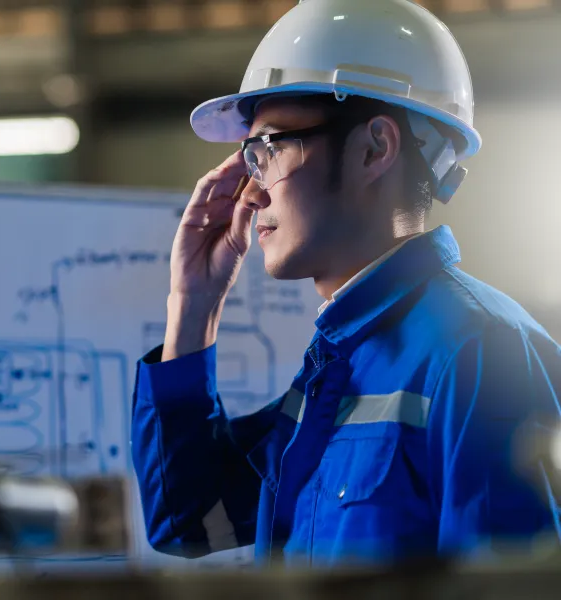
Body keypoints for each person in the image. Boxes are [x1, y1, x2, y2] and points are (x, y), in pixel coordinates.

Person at [130, 0, 561, 568]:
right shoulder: (334, 367)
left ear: (375, 148)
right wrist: (192, 303)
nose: (251, 193)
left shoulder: (482, 352)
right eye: (249, 159)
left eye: (271, 149)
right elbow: (191, 522)